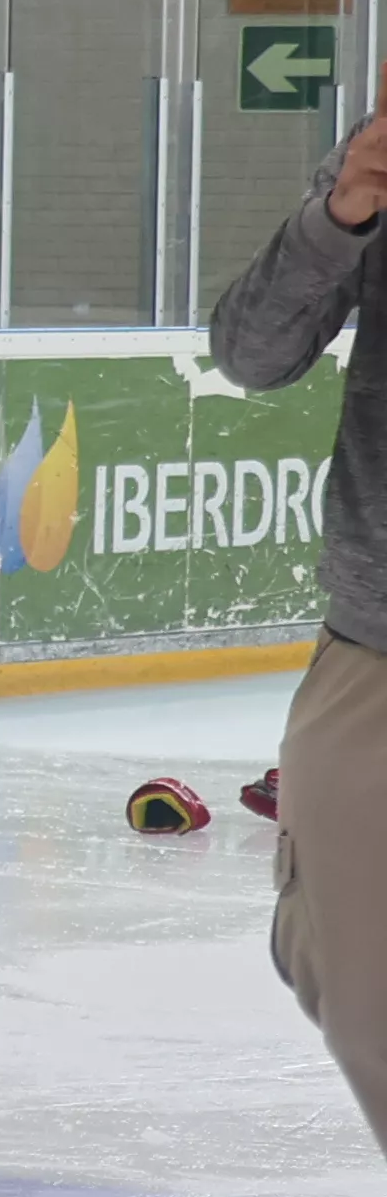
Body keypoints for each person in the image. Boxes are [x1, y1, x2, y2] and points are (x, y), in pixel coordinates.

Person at [213, 102, 387, 1142]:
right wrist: (346, 207)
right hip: (374, 649)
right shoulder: (372, 165)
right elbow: (250, 351)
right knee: (353, 986)